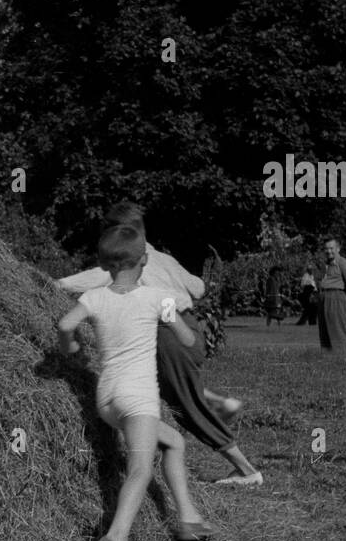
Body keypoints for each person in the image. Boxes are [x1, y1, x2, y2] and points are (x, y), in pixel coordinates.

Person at [58, 204, 263, 485]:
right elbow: (198, 288)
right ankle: (219, 403)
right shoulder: (163, 259)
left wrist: (55, 283)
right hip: (190, 327)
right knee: (161, 386)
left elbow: (86, 280)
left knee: (188, 408)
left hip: (167, 334)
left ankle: (246, 469)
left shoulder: (127, 261)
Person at [57, 224, 215, 541]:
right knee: (141, 468)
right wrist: (177, 325)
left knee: (174, 442)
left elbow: (65, 325)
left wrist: (70, 347)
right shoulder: (158, 298)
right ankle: (114, 538)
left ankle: (188, 519)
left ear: (103, 265)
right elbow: (187, 341)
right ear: (144, 259)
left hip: (108, 399)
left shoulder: (93, 297)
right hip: (138, 400)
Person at [318, 238, 346, 350]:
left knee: (338, 328)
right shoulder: (326, 264)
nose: (328, 251)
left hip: (336, 296)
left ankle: (345, 355)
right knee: (325, 329)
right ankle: (327, 356)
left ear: (338, 249)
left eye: (331, 248)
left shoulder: (343, 263)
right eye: (326, 249)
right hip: (324, 297)